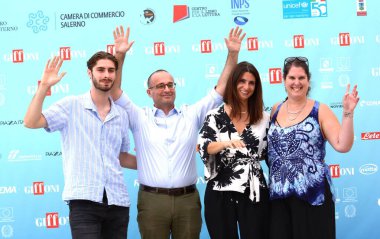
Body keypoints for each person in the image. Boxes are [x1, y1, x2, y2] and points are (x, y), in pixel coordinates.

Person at [110, 25, 246, 239]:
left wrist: (233, 54)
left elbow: (220, 90)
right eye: (160, 85)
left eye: (170, 84)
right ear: (149, 92)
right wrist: (119, 55)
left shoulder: (191, 115)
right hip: (152, 201)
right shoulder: (138, 117)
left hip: (187, 201)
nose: (167, 89)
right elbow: (115, 91)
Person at [23, 52, 137, 239]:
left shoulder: (122, 115)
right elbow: (31, 121)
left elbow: (121, 156)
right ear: (89, 73)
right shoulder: (71, 106)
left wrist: (156, 161)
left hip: (118, 202)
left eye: (111, 70)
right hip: (84, 203)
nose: (106, 75)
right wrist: (44, 86)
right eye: (100, 70)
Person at [267, 56, 360, 239]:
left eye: (301, 78)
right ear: (284, 80)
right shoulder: (276, 109)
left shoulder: (320, 110)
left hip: (312, 196)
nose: (296, 83)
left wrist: (348, 113)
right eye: (292, 78)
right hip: (279, 198)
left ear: (308, 81)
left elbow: (343, 145)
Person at [197, 61, 270, 239]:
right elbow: (205, 147)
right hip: (220, 190)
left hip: (254, 190)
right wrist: (226, 143)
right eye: (242, 81)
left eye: (251, 83)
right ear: (234, 83)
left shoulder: (264, 117)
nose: (246, 87)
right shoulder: (215, 115)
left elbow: (269, 153)